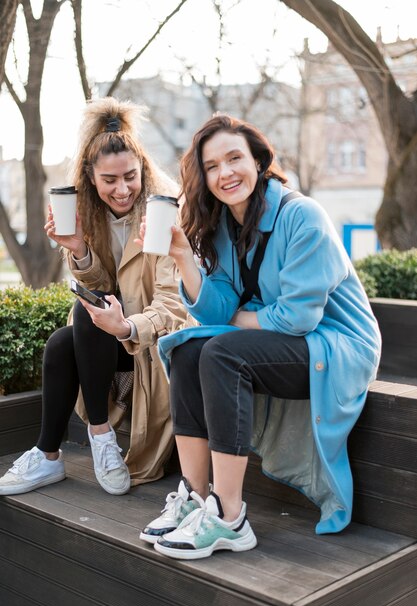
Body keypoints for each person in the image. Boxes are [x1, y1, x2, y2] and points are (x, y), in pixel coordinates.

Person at [137, 114, 381, 560]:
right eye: (212, 166)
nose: (225, 173)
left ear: (259, 161)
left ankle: (230, 518)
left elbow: (297, 318)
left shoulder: (302, 215)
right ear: (203, 178)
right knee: (190, 349)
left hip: (335, 345)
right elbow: (216, 310)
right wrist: (183, 259)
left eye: (235, 158)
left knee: (222, 351)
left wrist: (238, 320)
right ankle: (194, 497)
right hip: (285, 343)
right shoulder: (227, 229)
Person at [0, 96, 187, 497]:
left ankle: (76, 445)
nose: (122, 189)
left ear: (144, 169)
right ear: (90, 177)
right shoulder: (90, 213)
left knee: (79, 325)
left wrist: (127, 325)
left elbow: (175, 305)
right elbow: (98, 284)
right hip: (103, 341)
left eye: (131, 176)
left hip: (155, 346)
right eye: (110, 180)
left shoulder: (165, 213)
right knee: (69, 331)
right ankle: (67, 449)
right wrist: (80, 249)